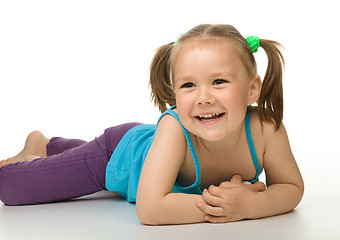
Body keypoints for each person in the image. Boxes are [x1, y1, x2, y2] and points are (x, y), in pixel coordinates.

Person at [0, 24, 304, 225]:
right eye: (188, 85)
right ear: (175, 93)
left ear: (252, 89)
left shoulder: (267, 128)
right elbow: (151, 209)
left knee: (75, 158)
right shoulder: (175, 129)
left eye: (219, 81)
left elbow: (291, 187)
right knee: (10, 187)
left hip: (149, 153)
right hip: (118, 156)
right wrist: (226, 206)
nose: (203, 97)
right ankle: (38, 148)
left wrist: (249, 206)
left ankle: (48, 145)